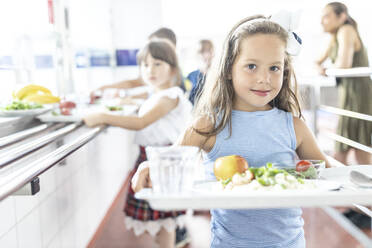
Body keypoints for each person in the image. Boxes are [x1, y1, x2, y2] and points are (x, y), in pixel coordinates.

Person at [132, 14, 332, 247]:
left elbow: (327, 171)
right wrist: (149, 166)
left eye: (274, 68)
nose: (264, 79)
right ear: (228, 69)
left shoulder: (294, 126)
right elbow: (171, 163)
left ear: (284, 70)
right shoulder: (207, 125)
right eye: (251, 66)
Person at [84, 41, 192, 248]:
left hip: (163, 160)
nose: (150, 70)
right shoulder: (157, 92)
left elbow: (141, 122)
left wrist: (102, 117)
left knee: (165, 219)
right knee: (161, 219)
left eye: (157, 64)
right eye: (145, 65)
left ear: (173, 68)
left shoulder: (169, 96)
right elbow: (139, 99)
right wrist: (117, 99)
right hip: (151, 157)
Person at [316, 2, 372, 229]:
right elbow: (320, 61)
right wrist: (323, 66)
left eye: (327, 16)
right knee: (341, 152)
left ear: (342, 16)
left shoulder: (346, 30)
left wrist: (326, 68)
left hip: (358, 97)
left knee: (359, 154)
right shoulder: (336, 35)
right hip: (349, 97)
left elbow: (344, 63)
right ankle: (359, 205)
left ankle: (366, 207)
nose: (323, 21)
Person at [90, 27, 186, 103]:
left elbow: (143, 121)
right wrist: (108, 90)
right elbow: (145, 89)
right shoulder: (159, 74)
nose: (150, 50)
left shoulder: (173, 78)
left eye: (155, 46)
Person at [187, 39, 214, 104]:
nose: (204, 55)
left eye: (207, 51)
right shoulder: (191, 76)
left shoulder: (218, 76)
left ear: (212, 53)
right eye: (200, 52)